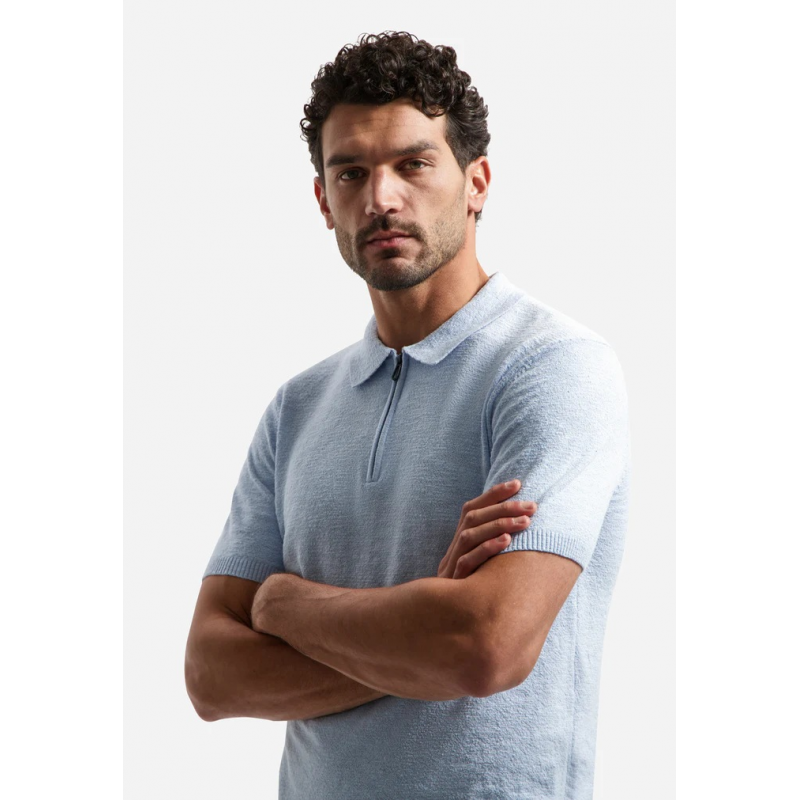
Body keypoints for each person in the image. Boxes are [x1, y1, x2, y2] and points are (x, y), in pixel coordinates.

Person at [185, 31, 631, 800]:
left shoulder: (553, 368)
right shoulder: (297, 409)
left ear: (477, 182)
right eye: (351, 172)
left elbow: (485, 646)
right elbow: (210, 675)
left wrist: (285, 604)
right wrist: (420, 625)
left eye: (413, 164)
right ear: (324, 201)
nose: (381, 199)